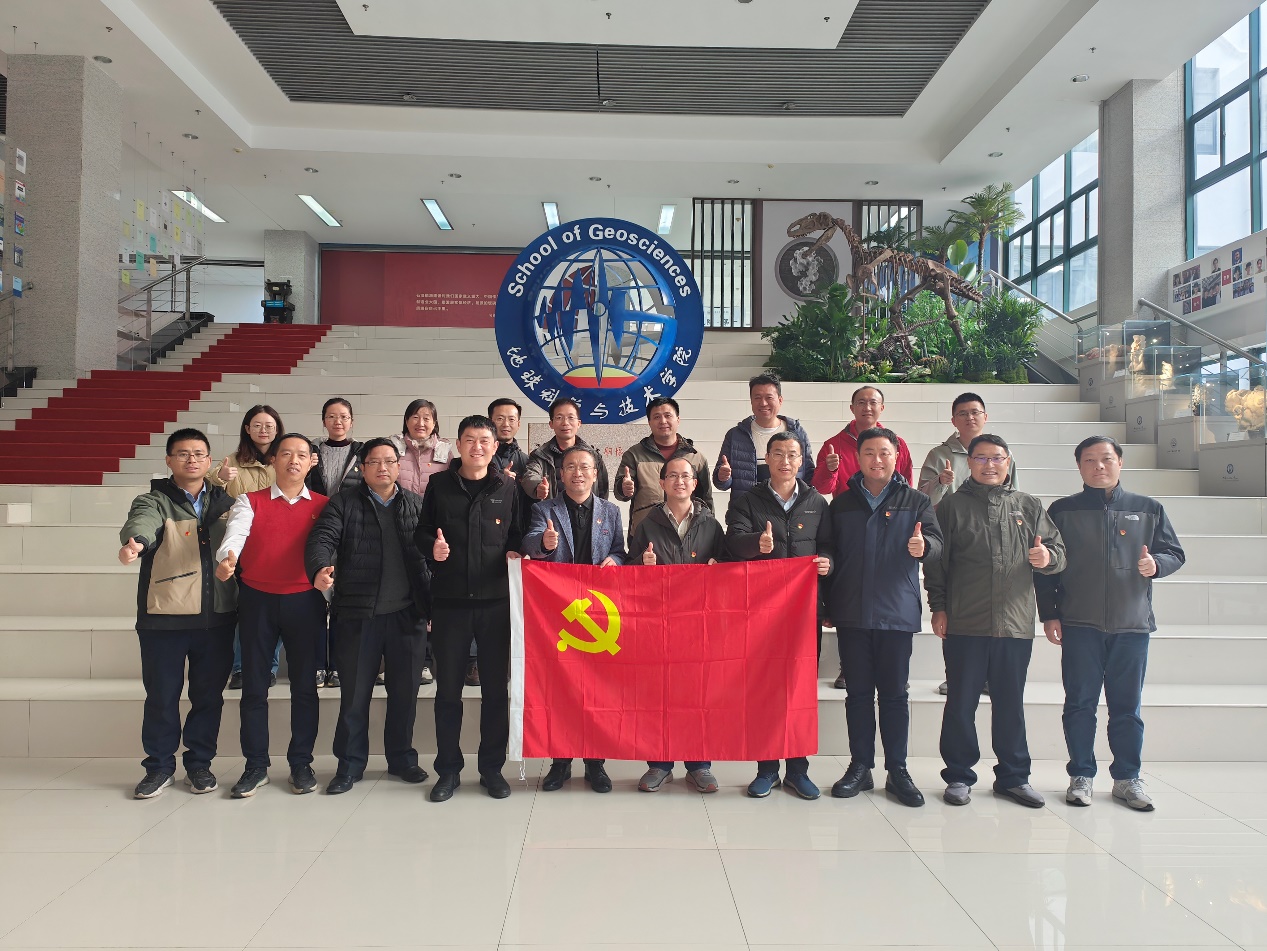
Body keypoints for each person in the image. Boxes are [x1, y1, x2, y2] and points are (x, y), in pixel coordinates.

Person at [1035, 435, 1185, 812]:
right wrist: (1049, 614)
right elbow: (1047, 567)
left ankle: (1127, 778)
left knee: (1126, 707)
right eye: (1089, 460)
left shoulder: (1148, 508)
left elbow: (1174, 552)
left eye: (1106, 458)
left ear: (1120, 462)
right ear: (1079, 466)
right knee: (1079, 704)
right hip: (1079, 624)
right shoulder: (1063, 511)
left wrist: (1156, 565)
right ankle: (1081, 775)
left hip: (1131, 625)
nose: (1098, 466)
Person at [924, 434, 1065, 809]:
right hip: (965, 622)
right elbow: (936, 565)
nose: (990, 465)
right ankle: (958, 775)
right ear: (969, 463)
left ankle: (1013, 778)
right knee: (961, 702)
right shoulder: (951, 507)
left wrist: (1047, 558)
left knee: (1010, 704)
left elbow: (1058, 550)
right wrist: (939, 607)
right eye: (982, 458)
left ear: (1008, 462)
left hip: (1014, 624)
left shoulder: (1028, 505)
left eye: (997, 458)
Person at [819, 427, 942, 807]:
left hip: (896, 610)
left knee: (893, 695)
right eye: (869, 453)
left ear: (896, 456)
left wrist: (925, 546)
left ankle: (898, 770)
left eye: (884, 452)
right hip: (852, 611)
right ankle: (860, 767)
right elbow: (829, 550)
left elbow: (937, 544)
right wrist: (828, 597)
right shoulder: (842, 504)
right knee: (857, 694)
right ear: (858, 458)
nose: (877, 460)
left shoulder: (917, 501)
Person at [306, 438, 432, 794]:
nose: (382, 468)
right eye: (374, 462)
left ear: (398, 466)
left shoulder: (416, 504)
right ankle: (349, 765)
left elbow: (432, 556)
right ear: (362, 469)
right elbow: (322, 538)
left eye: (389, 461)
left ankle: (402, 759)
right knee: (354, 696)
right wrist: (319, 567)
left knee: (405, 695)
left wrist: (431, 605)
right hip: (358, 615)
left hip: (407, 615)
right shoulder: (343, 503)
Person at [119, 428, 238, 799]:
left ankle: (199, 765)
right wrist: (135, 543)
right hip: (164, 619)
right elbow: (141, 523)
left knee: (208, 698)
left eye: (199, 454)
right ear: (169, 460)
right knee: (161, 696)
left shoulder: (227, 503)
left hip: (217, 618)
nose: (192, 460)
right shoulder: (154, 500)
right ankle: (158, 767)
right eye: (183, 453)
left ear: (209, 461)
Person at [415, 415, 523, 802]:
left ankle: (491, 769)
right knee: (448, 691)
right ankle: (448, 770)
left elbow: (518, 534)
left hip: (496, 604)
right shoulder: (439, 485)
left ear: (494, 447)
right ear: (457, 445)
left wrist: (518, 550)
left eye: (484, 441)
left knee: (495, 691)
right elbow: (422, 531)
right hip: (450, 604)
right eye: (470, 440)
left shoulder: (508, 488)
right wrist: (433, 548)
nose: (477, 447)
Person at [216, 434, 329, 798]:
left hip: (305, 602)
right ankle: (255, 765)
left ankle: (301, 763)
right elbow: (236, 533)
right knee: (254, 686)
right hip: (257, 602)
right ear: (273, 461)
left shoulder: (326, 505)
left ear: (311, 462)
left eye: (301, 455)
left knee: (304, 688)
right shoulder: (250, 500)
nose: (293, 460)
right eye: (286, 454)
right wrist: (228, 558)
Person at [725, 432, 831, 800]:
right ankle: (767, 769)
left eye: (792, 455)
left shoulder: (817, 502)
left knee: (800, 689)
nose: (785, 461)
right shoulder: (747, 500)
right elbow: (732, 544)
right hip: (761, 612)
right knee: (765, 689)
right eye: (778, 454)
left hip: (804, 611)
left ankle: (798, 769)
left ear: (801, 461)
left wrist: (828, 563)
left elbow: (830, 547)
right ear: (766, 459)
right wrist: (756, 543)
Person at [522, 445, 627, 793]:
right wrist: (545, 543)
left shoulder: (610, 511)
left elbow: (619, 550)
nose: (578, 473)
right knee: (561, 688)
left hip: (598, 611)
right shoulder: (544, 509)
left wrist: (615, 560)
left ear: (595, 474)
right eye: (570, 467)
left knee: (597, 689)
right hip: (559, 614)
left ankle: (595, 763)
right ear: (560, 474)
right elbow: (530, 544)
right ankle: (560, 761)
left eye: (584, 467)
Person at [630, 456, 726, 794]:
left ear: (695, 483)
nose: (680, 481)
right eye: (673, 476)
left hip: (699, 622)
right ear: (662, 483)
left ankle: (699, 765)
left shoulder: (711, 525)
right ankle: (660, 764)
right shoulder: (648, 524)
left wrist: (718, 565)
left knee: (698, 692)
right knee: (660, 693)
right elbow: (628, 571)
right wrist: (642, 563)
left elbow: (727, 567)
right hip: (659, 622)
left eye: (686, 476)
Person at [918, 392, 1020, 696]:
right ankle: (955, 675)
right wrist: (941, 482)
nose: (970, 417)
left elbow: (1013, 496)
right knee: (956, 607)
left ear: (985, 417)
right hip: (954, 535)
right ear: (953, 420)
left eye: (975, 412)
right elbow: (921, 498)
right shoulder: (939, 454)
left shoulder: (1002, 453)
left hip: (994, 539)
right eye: (963, 413)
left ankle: (989, 676)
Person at [211, 404, 284, 690]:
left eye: (269, 425)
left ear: (277, 429)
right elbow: (207, 483)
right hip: (241, 545)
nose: (263, 430)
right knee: (247, 610)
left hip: (277, 542)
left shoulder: (285, 457)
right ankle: (241, 668)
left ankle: (269, 667)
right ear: (247, 428)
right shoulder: (231, 461)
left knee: (275, 609)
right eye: (257, 425)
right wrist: (219, 477)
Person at [306, 397, 364, 689]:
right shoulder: (309, 451)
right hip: (315, 531)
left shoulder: (363, 452)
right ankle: (318, 665)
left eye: (343, 417)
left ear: (352, 421)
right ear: (323, 421)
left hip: (350, 533)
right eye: (331, 416)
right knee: (316, 601)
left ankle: (340, 665)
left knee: (344, 602)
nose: (337, 422)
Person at [615, 396, 712, 539]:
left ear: (678, 420)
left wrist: (709, 534)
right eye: (656, 417)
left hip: (688, 535)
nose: (663, 421)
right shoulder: (634, 455)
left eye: (668, 416)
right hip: (646, 534)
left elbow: (706, 500)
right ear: (649, 422)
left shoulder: (695, 457)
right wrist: (624, 489)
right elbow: (619, 491)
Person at [712, 374, 814, 506]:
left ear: (780, 400)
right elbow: (721, 483)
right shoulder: (736, 435)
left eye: (769, 397)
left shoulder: (797, 433)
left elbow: (809, 475)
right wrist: (723, 476)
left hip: (788, 511)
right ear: (751, 401)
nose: (763, 403)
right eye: (757, 398)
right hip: (746, 511)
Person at [812, 386, 913, 498]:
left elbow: (907, 487)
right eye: (861, 403)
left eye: (873, 403)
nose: (867, 408)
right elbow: (822, 489)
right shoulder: (833, 446)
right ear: (852, 408)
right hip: (848, 508)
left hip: (890, 508)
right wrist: (829, 470)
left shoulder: (897, 444)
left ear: (882, 408)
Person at [520, 396, 610, 502]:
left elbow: (603, 491)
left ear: (579, 423)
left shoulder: (593, 456)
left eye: (571, 417)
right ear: (551, 424)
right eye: (559, 418)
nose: (565, 423)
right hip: (552, 511)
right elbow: (530, 476)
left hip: (586, 511)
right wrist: (537, 487)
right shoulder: (539, 455)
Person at [391, 398, 453, 498]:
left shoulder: (444, 452)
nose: (420, 423)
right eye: (415, 417)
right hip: (400, 507)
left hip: (433, 508)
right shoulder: (393, 449)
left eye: (426, 419)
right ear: (406, 421)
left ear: (434, 423)